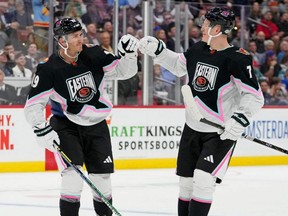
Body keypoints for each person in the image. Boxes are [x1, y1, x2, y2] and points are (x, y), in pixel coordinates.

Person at [139, 7, 264, 216]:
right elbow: (180, 66)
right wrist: (159, 51)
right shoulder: (198, 50)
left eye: (206, 24)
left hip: (220, 132)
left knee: (204, 180)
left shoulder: (237, 58)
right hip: (193, 127)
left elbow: (254, 96)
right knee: (186, 183)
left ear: (217, 28)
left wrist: (239, 119)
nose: (202, 27)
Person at [24, 17, 139, 216]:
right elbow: (33, 105)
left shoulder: (94, 53)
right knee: (72, 178)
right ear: (61, 40)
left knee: (102, 181)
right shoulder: (49, 69)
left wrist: (129, 55)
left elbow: (123, 72)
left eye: (81, 35)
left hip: (97, 125)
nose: (81, 39)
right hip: (66, 126)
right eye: (75, 36)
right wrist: (41, 128)